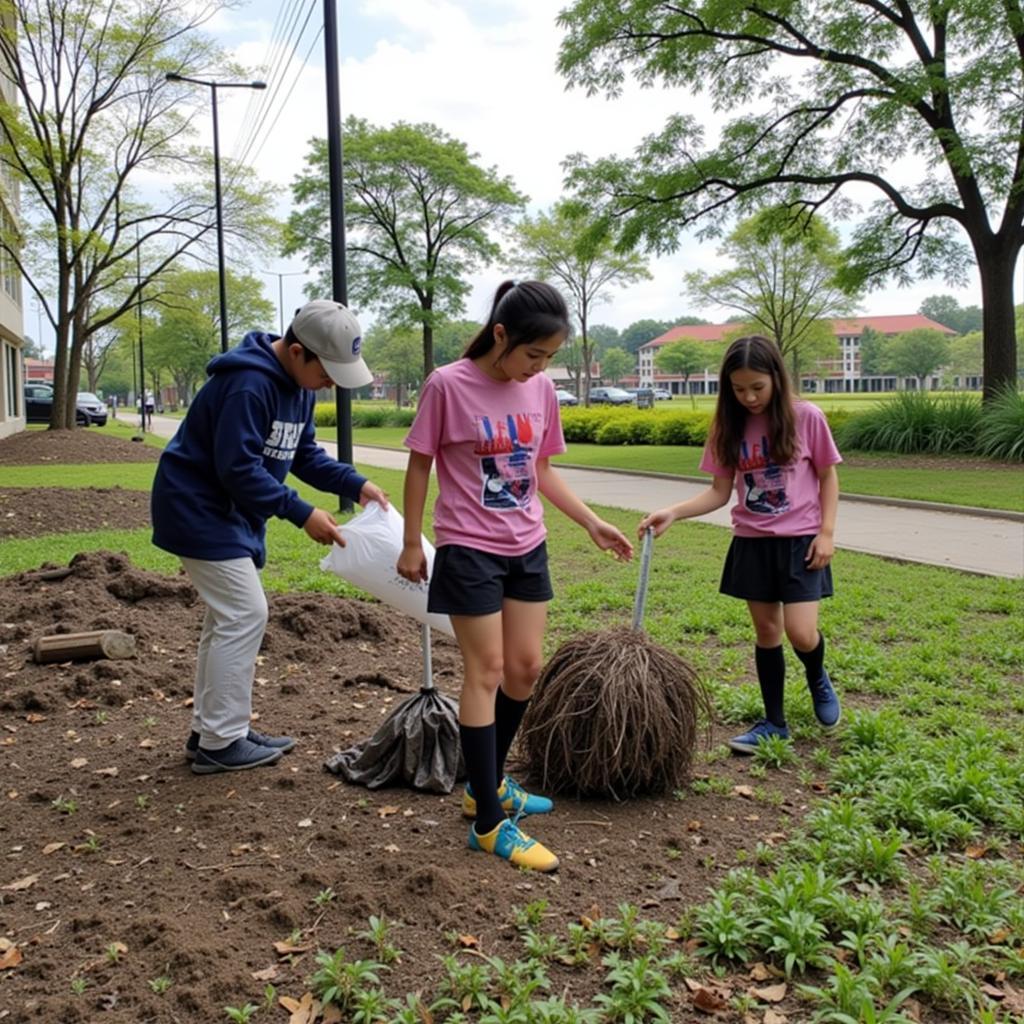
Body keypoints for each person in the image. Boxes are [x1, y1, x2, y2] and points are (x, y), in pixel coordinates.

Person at [397, 280, 633, 872]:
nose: (540, 368)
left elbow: (542, 470)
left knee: (525, 671)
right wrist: (410, 540)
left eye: (550, 358)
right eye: (534, 355)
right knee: (487, 670)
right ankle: (486, 824)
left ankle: (488, 783)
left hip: (527, 545)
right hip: (468, 546)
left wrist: (591, 522)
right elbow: (420, 465)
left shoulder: (541, 391)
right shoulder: (448, 385)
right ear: (500, 335)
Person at [151, 300, 388, 775]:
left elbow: (302, 454)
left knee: (227, 620)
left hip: (228, 515)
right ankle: (221, 741)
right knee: (245, 612)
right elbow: (237, 469)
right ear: (298, 352)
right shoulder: (248, 384)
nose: (331, 384)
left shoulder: (298, 390)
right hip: (197, 509)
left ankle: (214, 731)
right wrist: (301, 513)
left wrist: (353, 483)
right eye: (328, 371)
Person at [639, 335, 842, 755]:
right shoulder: (727, 428)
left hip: (800, 542)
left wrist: (827, 532)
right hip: (752, 543)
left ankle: (818, 677)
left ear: (776, 380)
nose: (748, 397)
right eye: (738, 388)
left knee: (801, 633)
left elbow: (828, 476)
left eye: (757, 387)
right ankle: (774, 723)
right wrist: (675, 511)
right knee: (767, 631)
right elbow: (718, 492)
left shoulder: (806, 417)